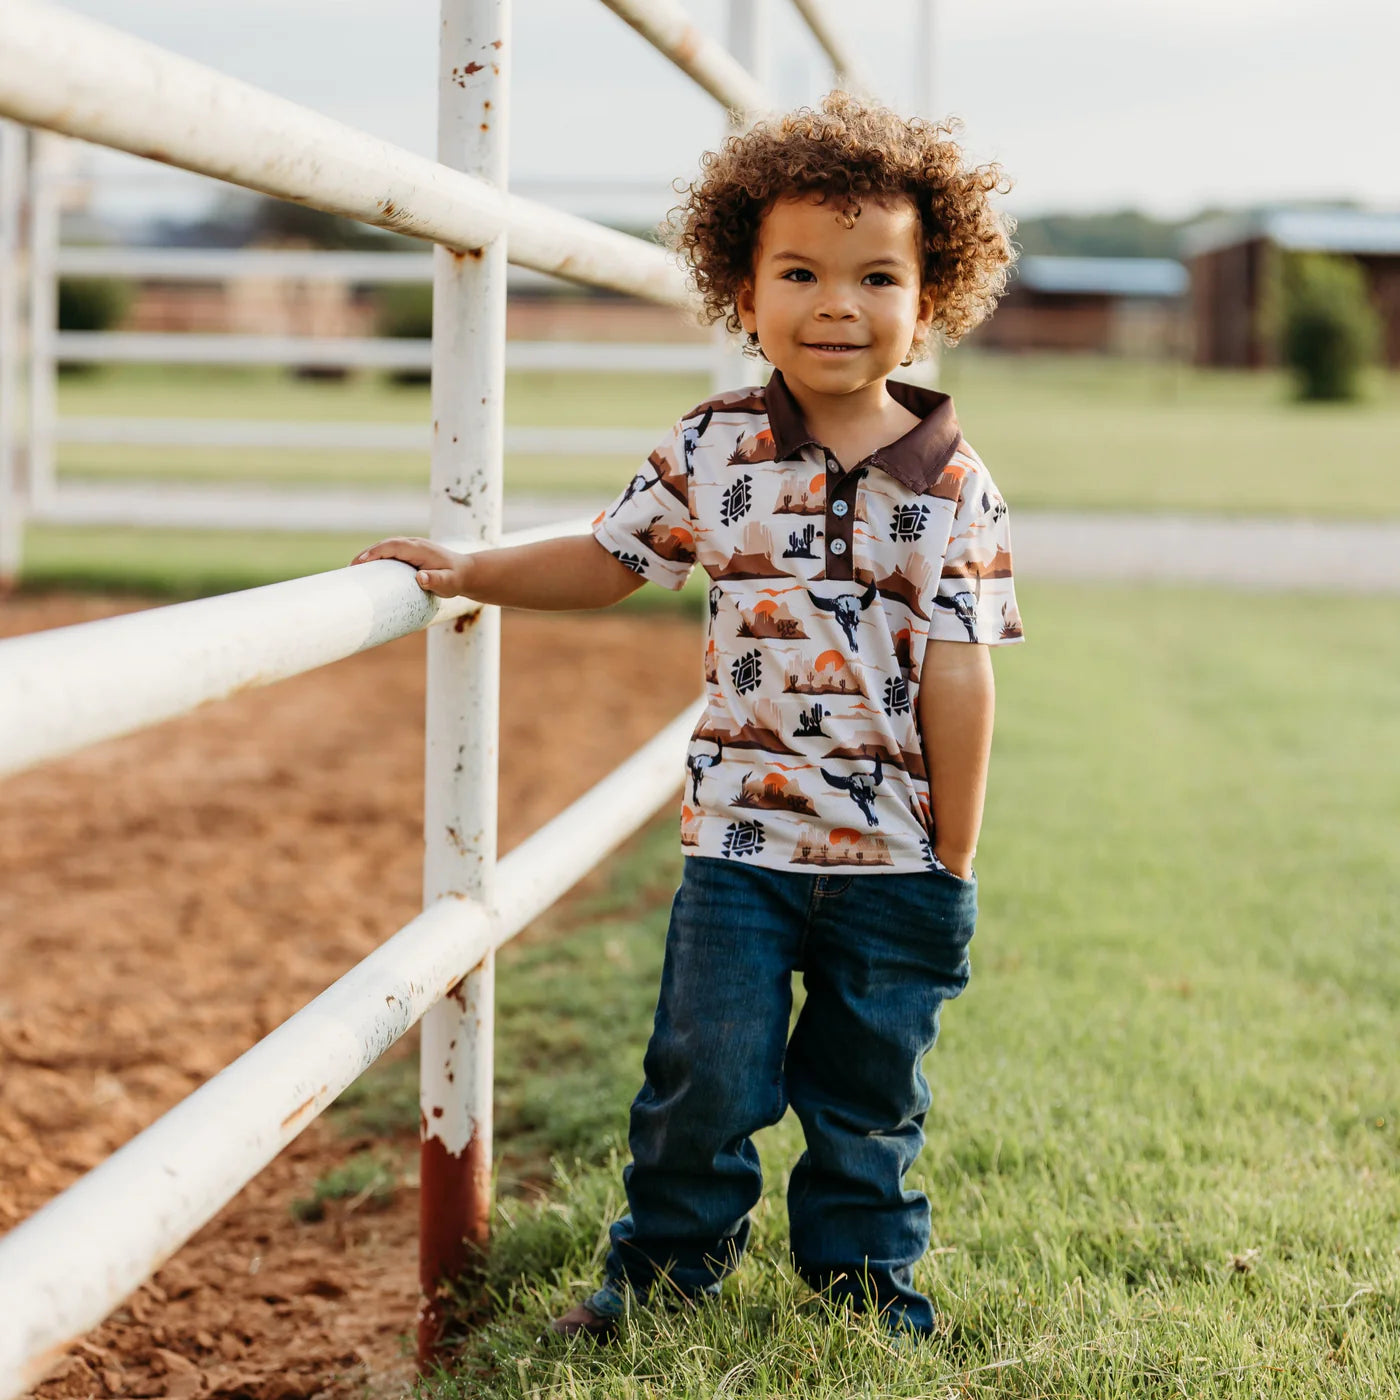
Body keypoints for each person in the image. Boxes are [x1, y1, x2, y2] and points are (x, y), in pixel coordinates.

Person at [351, 91, 1022, 1342]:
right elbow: (611, 561)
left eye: (876, 275)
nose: (837, 303)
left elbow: (959, 670)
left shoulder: (957, 485)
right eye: (799, 272)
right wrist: (470, 567)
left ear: (929, 302)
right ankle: (660, 1274)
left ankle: (862, 1289)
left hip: (895, 860)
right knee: (699, 1077)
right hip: (738, 851)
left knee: (869, 1095)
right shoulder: (712, 451)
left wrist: (957, 856)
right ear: (742, 290)